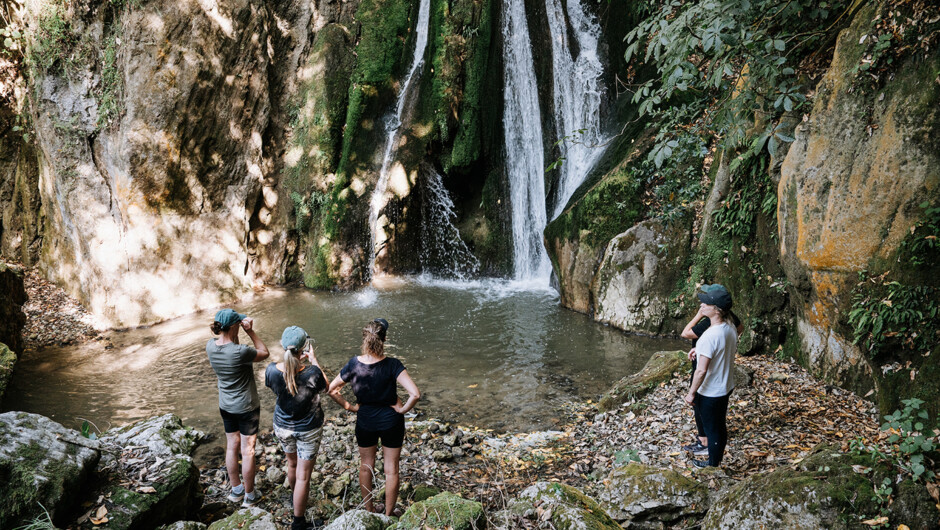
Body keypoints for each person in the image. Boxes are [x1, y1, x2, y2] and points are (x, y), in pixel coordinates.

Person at [328, 319, 420, 516]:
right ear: (384, 339)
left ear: (364, 339)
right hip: (391, 421)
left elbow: (332, 390)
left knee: (366, 466)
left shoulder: (353, 364)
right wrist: (402, 409)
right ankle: (388, 515)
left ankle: (369, 510)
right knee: (391, 469)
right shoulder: (393, 365)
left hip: (365, 421)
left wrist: (351, 407)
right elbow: (415, 394)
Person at [265, 326, 328, 530]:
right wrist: (314, 360)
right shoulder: (312, 373)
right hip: (308, 429)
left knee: (292, 465)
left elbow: (278, 388)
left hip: (282, 427)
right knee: (303, 476)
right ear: (304, 349)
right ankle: (298, 522)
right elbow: (326, 387)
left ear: (282, 345)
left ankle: (296, 502)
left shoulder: (271, 370)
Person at [206, 308, 270, 506]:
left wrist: (234, 333)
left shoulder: (210, 346)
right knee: (248, 450)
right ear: (235, 326)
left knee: (232, 446)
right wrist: (250, 331)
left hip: (226, 405)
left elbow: (230, 346)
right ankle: (250, 496)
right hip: (246, 407)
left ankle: (236, 490)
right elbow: (264, 352)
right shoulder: (241, 351)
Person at [680, 289, 743, 458]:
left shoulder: (710, 335)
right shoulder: (729, 326)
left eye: (706, 303)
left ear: (716, 310)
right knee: (719, 425)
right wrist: (699, 350)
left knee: (713, 429)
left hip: (710, 390)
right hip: (724, 385)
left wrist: (691, 393)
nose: (701, 305)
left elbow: (701, 371)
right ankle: (714, 459)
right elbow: (718, 346)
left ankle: (712, 464)